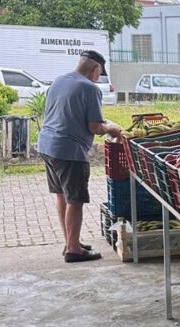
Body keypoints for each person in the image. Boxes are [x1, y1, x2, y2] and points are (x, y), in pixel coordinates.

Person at [37, 50, 122, 262]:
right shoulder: (89, 88)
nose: (98, 78)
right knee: (75, 200)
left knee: (61, 196)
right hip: (69, 151)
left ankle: (70, 242)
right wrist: (113, 128)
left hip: (47, 145)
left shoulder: (59, 81)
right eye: (99, 74)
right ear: (96, 69)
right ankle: (74, 250)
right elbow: (95, 126)